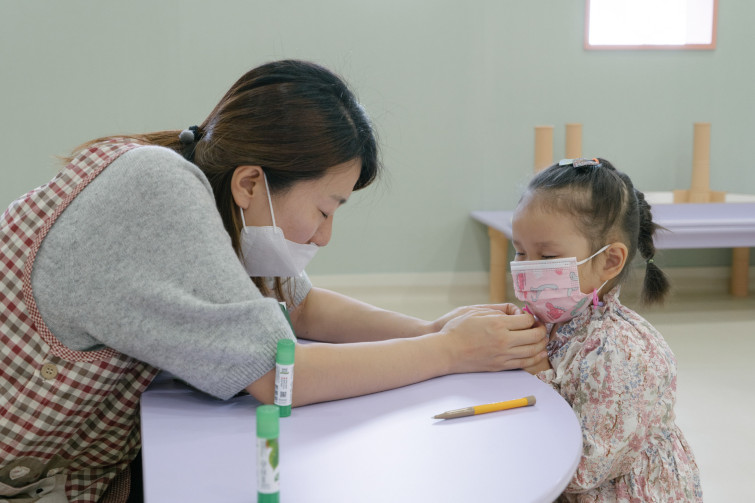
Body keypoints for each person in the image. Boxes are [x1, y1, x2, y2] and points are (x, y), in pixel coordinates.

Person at [0, 59, 548, 502]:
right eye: (325, 209)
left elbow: (299, 306)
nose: (324, 235)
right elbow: (280, 375)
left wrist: (427, 329)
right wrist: (449, 351)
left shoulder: (187, 181)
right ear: (249, 184)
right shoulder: (157, 187)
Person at [510, 157, 702, 501]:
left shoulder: (622, 352)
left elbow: (579, 469)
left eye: (547, 257)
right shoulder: (554, 323)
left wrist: (536, 366)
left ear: (609, 261)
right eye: (520, 252)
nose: (527, 269)